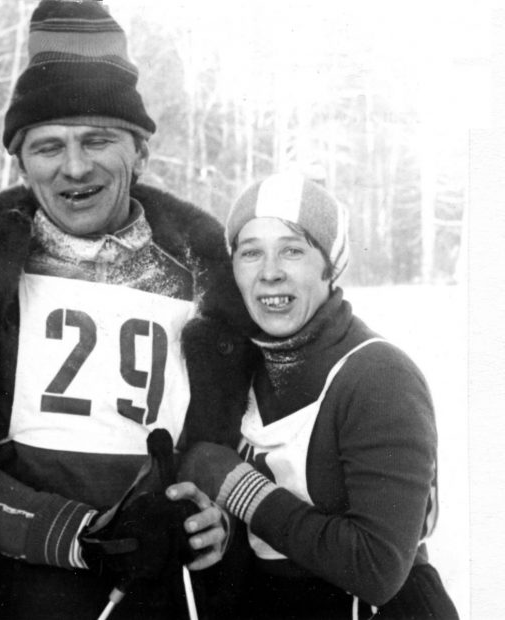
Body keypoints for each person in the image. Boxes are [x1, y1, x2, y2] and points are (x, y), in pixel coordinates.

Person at [0, 1, 232, 618]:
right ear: (21, 163)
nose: (75, 166)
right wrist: (81, 536)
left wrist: (216, 522)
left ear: (140, 152)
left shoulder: (209, 280)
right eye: (48, 146)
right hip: (14, 601)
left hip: (159, 601)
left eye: (98, 139)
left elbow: (247, 446)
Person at [178, 172, 459, 619]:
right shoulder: (242, 366)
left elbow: (377, 568)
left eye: (292, 250)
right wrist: (218, 526)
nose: (270, 272)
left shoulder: (378, 376)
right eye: (251, 252)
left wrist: (238, 487)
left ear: (330, 265)